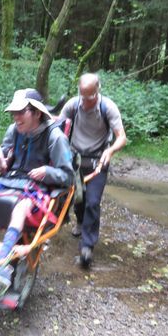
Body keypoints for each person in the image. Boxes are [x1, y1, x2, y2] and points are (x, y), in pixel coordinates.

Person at [0, 88, 74, 286]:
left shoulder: (55, 137)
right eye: (14, 113)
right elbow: (5, 158)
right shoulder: (14, 130)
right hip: (11, 181)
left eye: (21, 112)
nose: (16, 117)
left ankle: (1, 262)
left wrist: (47, 171)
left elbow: (68, 176)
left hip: (38, 189)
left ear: (37, 113)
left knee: (20, 207)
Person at [60, 73, 127, 269]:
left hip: (99, 160)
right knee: (78, 199)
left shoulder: (108, 108)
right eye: (83, 96)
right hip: (76, 160)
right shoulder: (73, 105)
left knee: (93, 202)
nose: (86, 102)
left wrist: (111, 150)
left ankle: (87, 246)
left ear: (98, 91)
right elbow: (59, 126)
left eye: (90, 98)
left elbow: (121, 137)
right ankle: (80, 223)